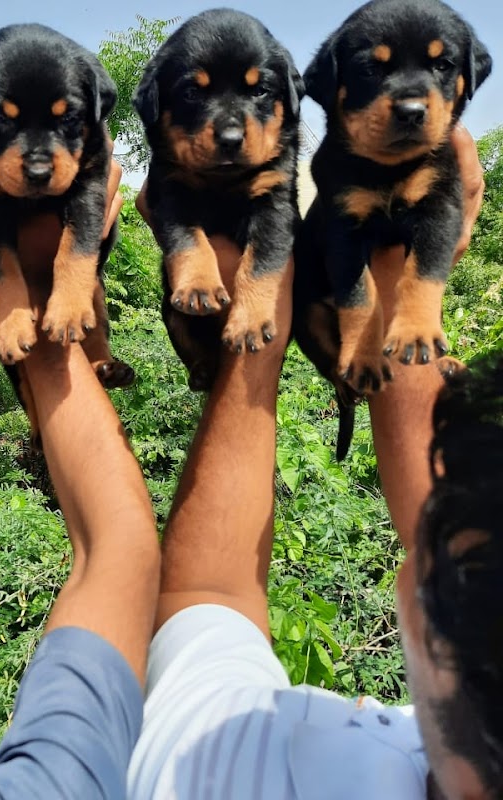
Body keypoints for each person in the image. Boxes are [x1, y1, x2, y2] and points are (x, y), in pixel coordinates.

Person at [0, 121, 497, 800]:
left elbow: (189, 584)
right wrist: (393, 278)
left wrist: (15, 291)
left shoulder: (237, 769)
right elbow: (152, 569)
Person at [126, 121, 501, 800]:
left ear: (423, 606)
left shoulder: (233, 776)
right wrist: (401, 261)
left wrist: (262, 311)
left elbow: (207, 596)